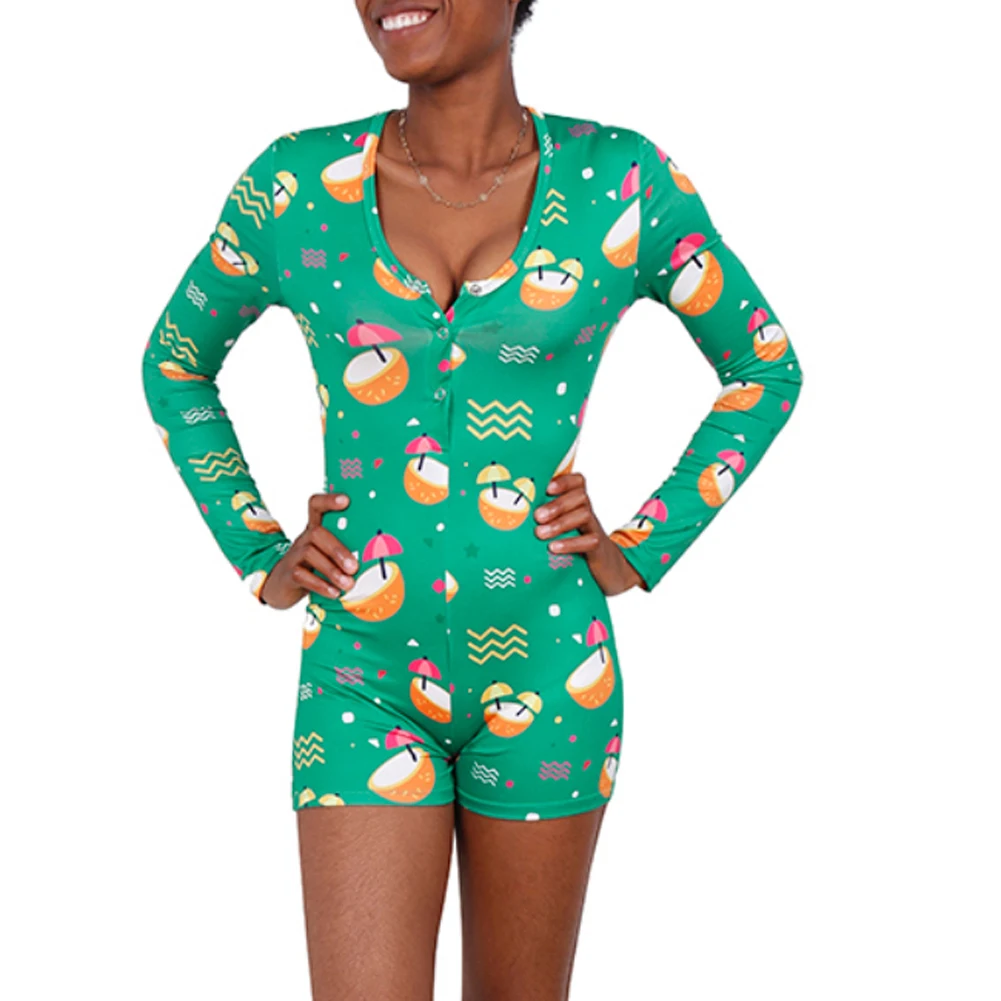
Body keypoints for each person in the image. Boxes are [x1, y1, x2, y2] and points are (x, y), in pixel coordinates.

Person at [141, 0, 804, 995]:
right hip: (358, 675)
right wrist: (259, 551)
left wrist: (639, 544)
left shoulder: (621, 182)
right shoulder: (294, 185)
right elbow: (175, 363)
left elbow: (763, 367)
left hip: (551, 673)